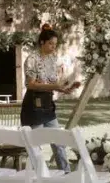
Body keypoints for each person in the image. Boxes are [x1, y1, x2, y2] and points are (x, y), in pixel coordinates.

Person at [20, 25, 81, 172]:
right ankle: (40, 176)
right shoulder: (32, 59)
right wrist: (55, 87)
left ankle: (66, 174)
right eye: (50, 44)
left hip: (48, 105)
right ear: (42, 42)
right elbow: (31, 84)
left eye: (55, 44)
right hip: (33, 106)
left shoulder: (53, 59)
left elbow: (53, 83)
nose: (53, 47)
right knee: (36, 145)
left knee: (58, 141)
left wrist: (67, 88)